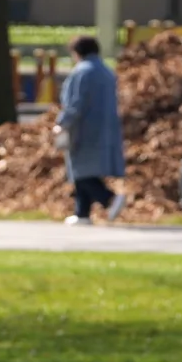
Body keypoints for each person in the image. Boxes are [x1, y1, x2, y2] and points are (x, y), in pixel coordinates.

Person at [56, 35, 126, 226]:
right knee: (86, 170)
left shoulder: (82, 72)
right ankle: (82, 213)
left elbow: (76, 103)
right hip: (106, 127)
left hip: (84, 128)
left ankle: (109, 198)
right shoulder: (107, 71)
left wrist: (62, 122)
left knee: (80, 170)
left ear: (77, 52)